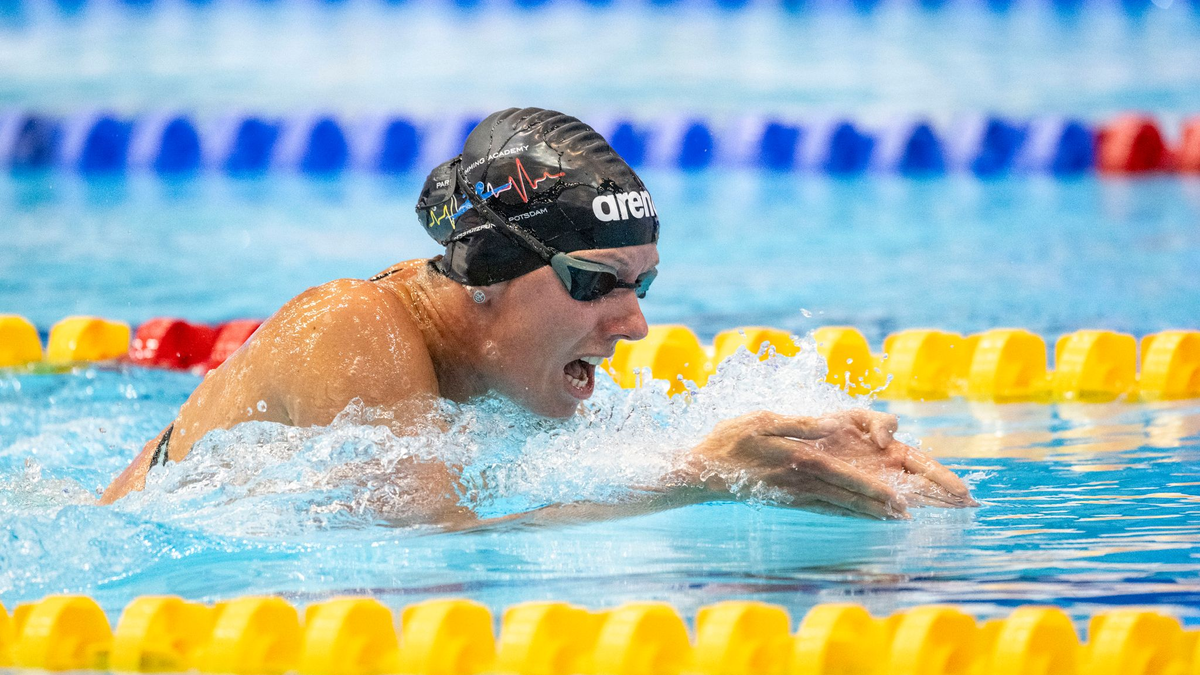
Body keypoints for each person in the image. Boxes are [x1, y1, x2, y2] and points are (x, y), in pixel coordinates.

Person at [101, 107, 976, 524]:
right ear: (484, 270)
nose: (634, 325)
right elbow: (430, 562)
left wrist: (781, 447)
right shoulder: (354, 329)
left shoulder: (496, 362)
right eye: (597, 283)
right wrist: (700, 475)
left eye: (644, 286)